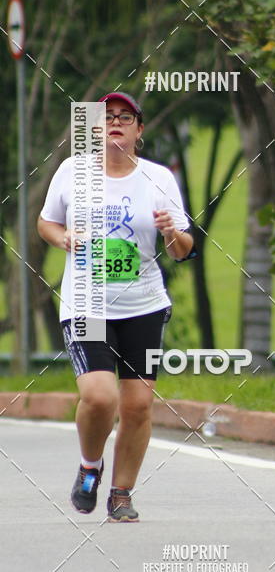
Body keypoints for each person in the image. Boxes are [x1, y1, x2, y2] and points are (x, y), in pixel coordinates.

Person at [38, 92, 194, 521]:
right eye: (107, 117)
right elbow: (46, 222)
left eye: (126, 118)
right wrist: (62, 238)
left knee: (138, 405)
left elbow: (184, 249)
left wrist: (170, 234)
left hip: (143, 305)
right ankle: (90, 466)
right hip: (86, 302)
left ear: (139, 130)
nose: (116, 123)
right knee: (99, 396)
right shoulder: (74, 171)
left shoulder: (159, 178)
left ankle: (121, 493)